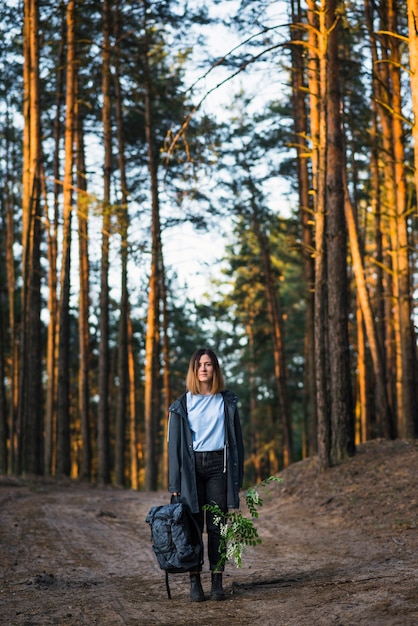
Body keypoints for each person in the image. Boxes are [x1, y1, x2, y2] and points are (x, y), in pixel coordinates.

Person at [168, 348, 244, 602]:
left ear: (215, 370)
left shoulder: (226, 401)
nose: (203, 368)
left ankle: (217, 581)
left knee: (217, 527)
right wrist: (174, 483)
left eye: (209, 364)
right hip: (190, 470)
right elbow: (174, 448)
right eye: (199, 364)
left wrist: (236, 479)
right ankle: (194, 582)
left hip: (217, 467)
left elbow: (238, 444)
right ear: (193, 370)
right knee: (192, 527)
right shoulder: (181, 404)